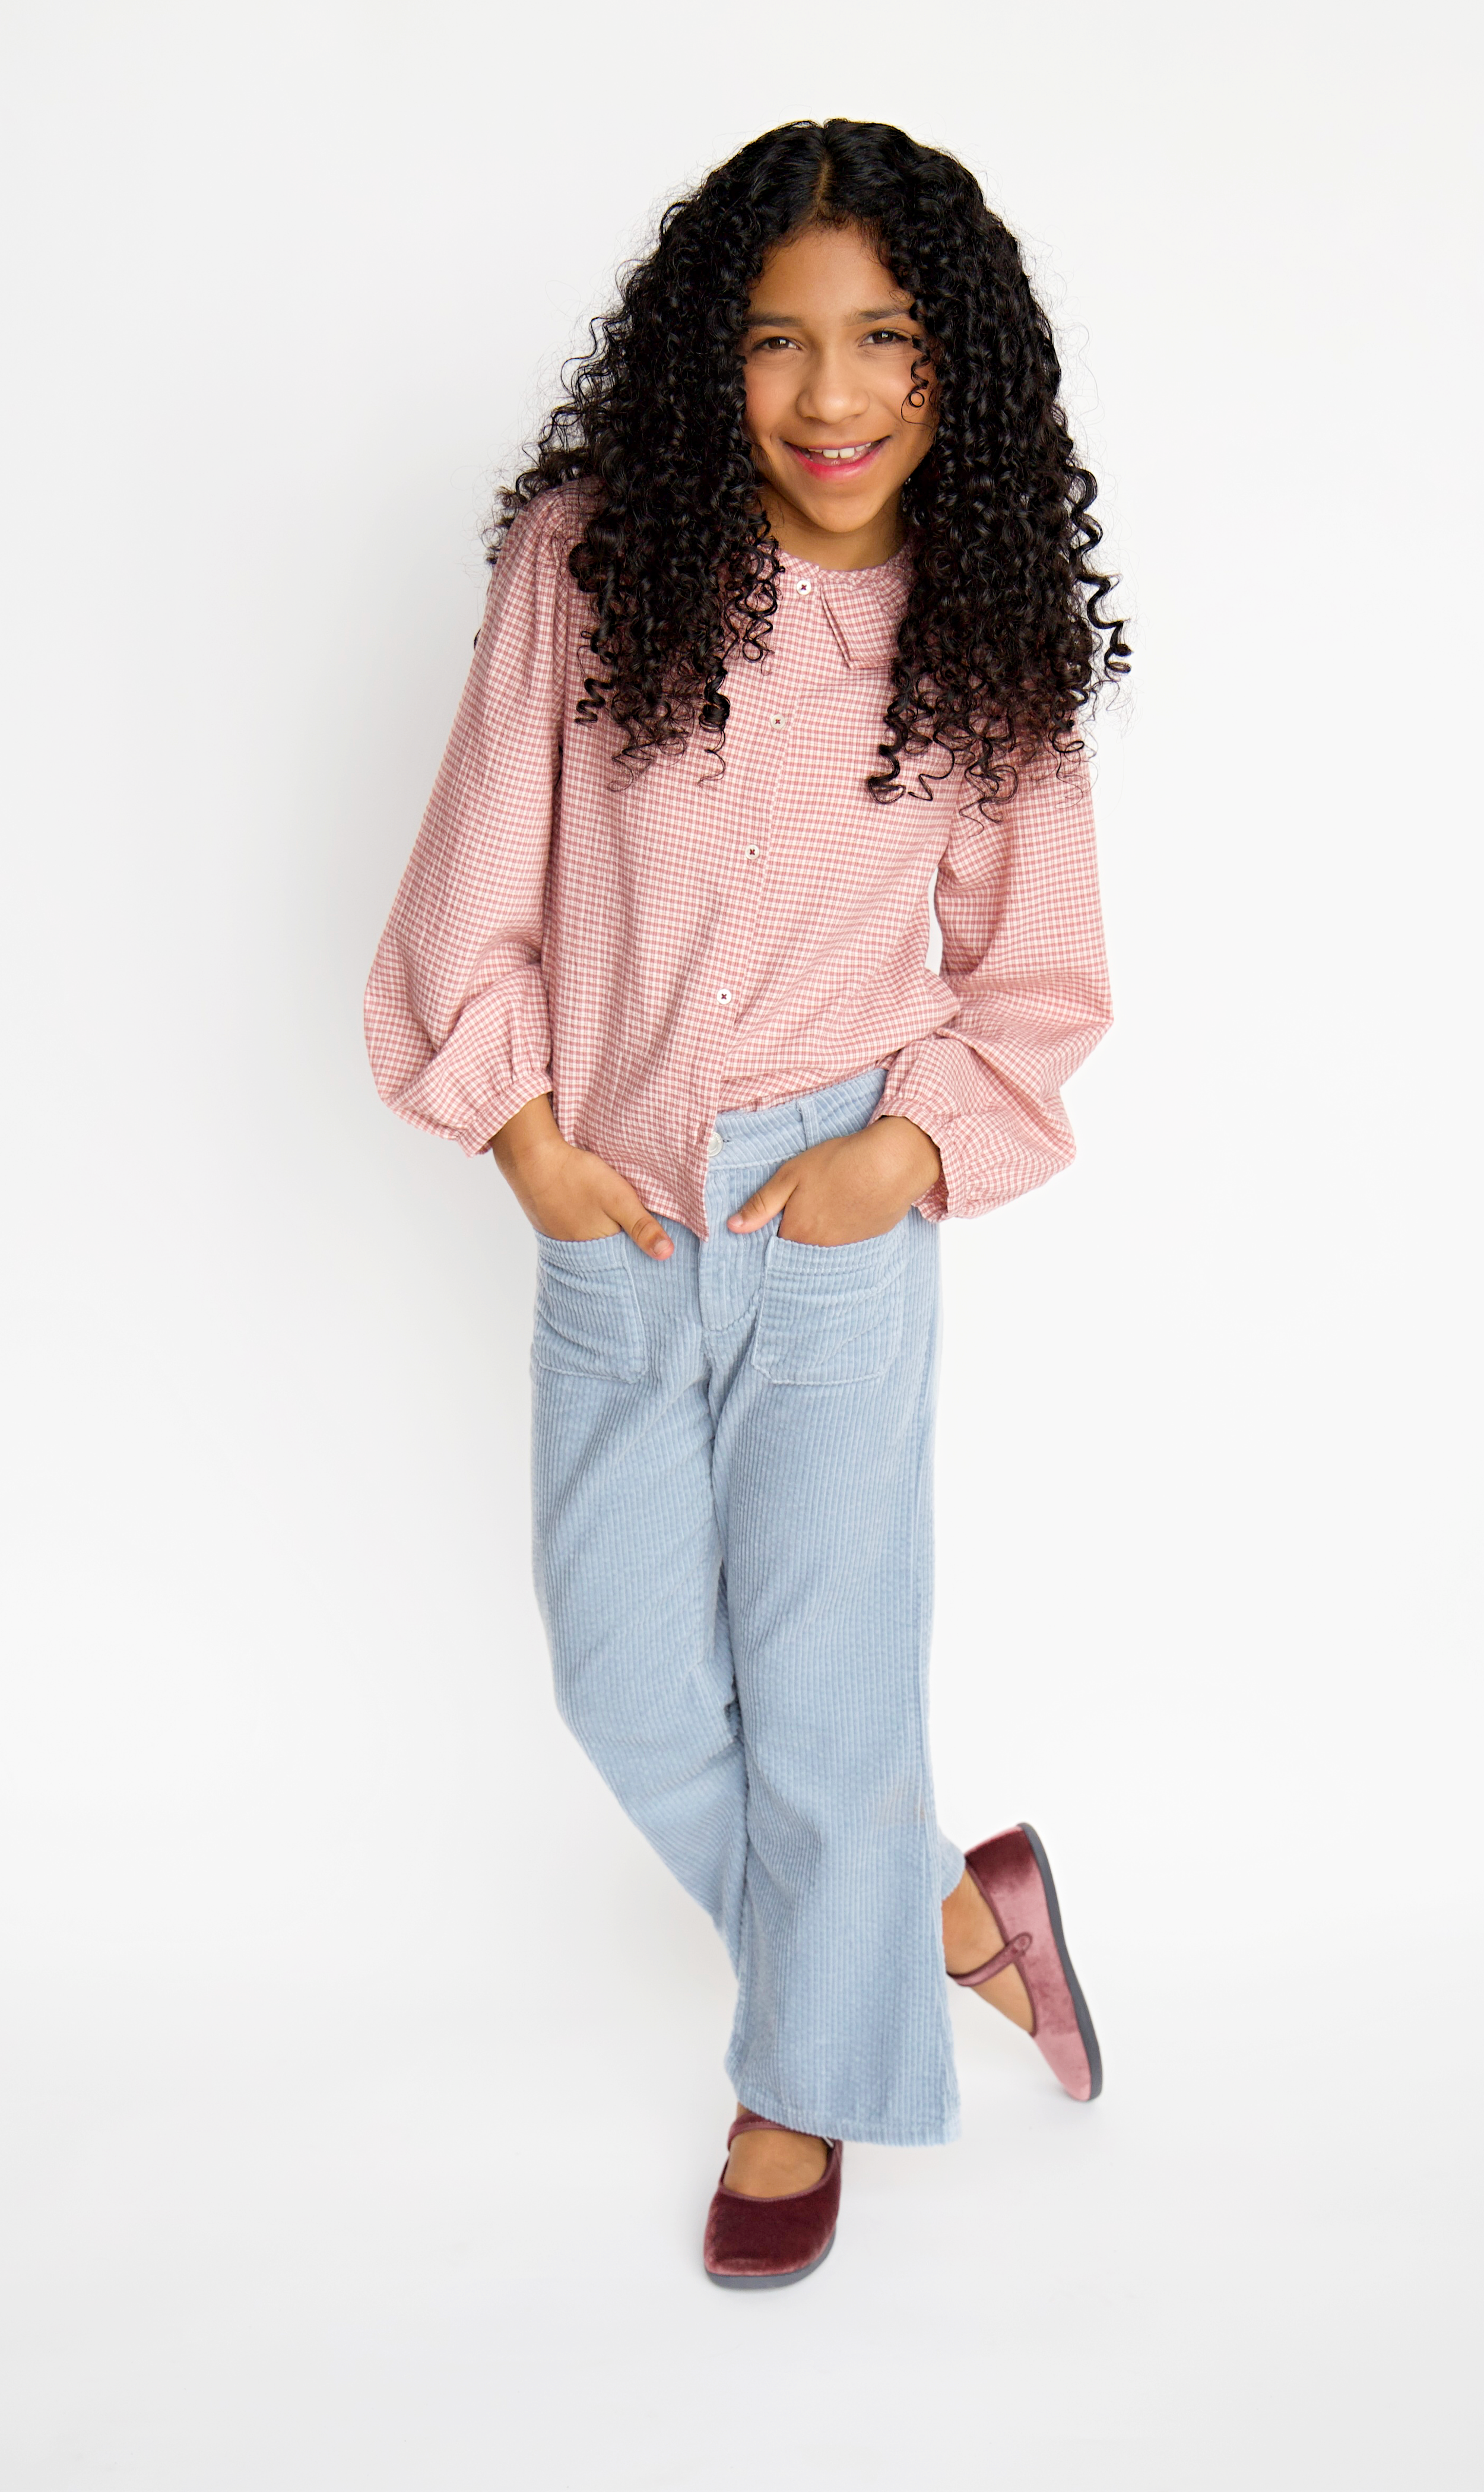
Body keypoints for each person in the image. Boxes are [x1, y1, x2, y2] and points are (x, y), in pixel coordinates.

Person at [365, 118, 1127, 2288]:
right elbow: (467, 885)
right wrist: (530, 1154)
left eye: (885, 340)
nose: (829, 398)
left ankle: (799, 2080)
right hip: (609, 1197)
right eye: (778, 344)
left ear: (954, 368)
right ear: (707, 360)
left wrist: (896, 1159)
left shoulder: (979, 629)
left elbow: (1043, 979)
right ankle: (955, 1922)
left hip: (833, 1211)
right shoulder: (588, 561)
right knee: (621, 1678)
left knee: (819, 1693)